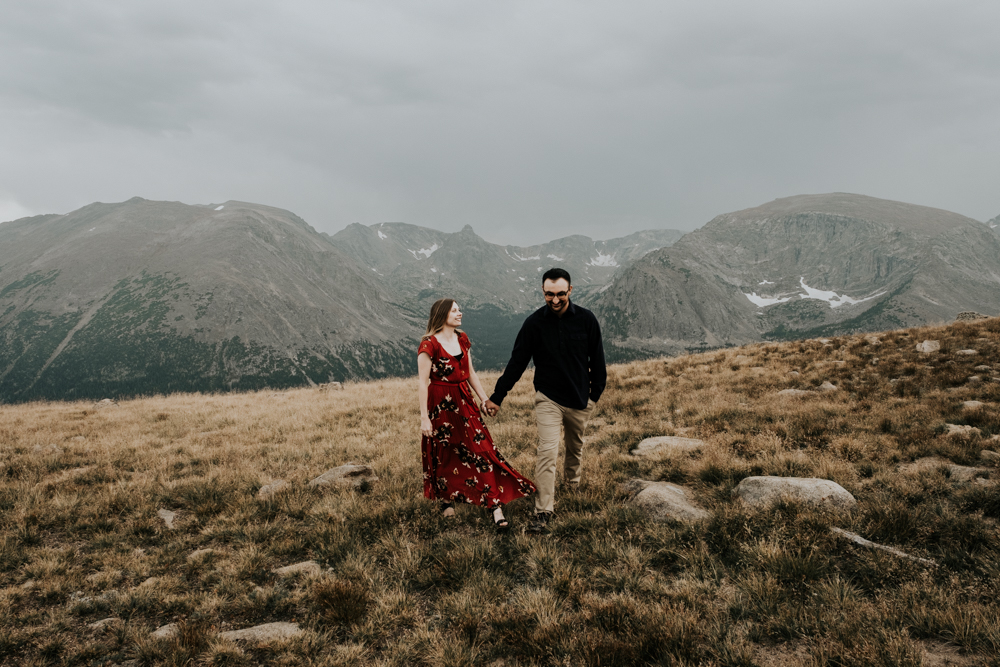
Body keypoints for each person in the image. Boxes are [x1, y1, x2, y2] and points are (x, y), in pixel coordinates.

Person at [484, 268, 606, 535]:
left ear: (570, 291)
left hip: (580, 399)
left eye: (560, 294)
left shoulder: (586, 320)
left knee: (575, 446)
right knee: (547, 452)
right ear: (543, 292)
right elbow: (517, 362)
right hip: (548, 398)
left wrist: (593, 397)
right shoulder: (533, 324)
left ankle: (572, 483)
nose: (555, 299)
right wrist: (497, 397)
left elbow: (597, 362)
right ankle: (543, 511)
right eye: (549, 294)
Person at [418, 298, 536, 531]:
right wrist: (424, 417)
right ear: (442, 315)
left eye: (459, 309)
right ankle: (446, 500)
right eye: (455, 310)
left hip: (464, 400)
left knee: (481, 449)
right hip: (439, 403)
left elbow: (470, 372)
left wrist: (484, 399)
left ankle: (495, 505)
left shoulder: (462, 339)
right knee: (445, 450)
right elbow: (422, 383)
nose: (460, 313)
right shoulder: (428, 344)